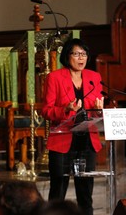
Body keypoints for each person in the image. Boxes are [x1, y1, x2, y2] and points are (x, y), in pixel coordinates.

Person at [41, 38, 104, 215]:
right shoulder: (54, 78)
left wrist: (99, 111)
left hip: (87, 141)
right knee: (58, 193)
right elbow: (46, 110)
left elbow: (96, 111)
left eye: (83, 54)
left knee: (85, 194)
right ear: (67, 56)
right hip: (62, 140)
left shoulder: (94, 77)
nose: (80, 58)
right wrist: (65, 109)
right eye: (76, 54)